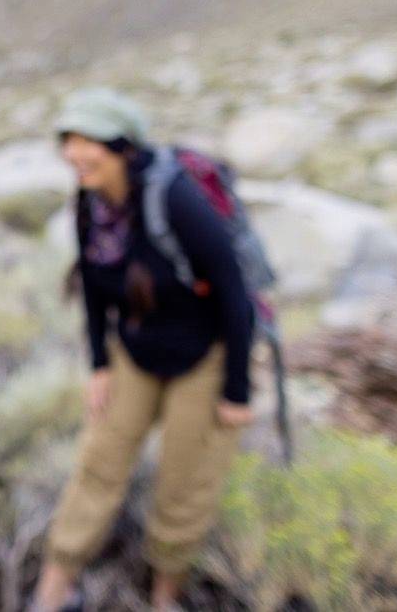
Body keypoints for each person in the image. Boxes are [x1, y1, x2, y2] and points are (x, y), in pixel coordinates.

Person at [31, 88, 255, 612]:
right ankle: (54, 587)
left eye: (87, 141)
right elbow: (89, 283)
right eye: (69, 141)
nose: (73, 153)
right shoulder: (91, 200)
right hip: (136, 350)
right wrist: (101, 366)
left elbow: (234, 292)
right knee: (99, 464)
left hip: (204, 355)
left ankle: (164, 595)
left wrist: (236, 390)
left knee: (185, 480)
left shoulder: (174, 198)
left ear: (121, 146)